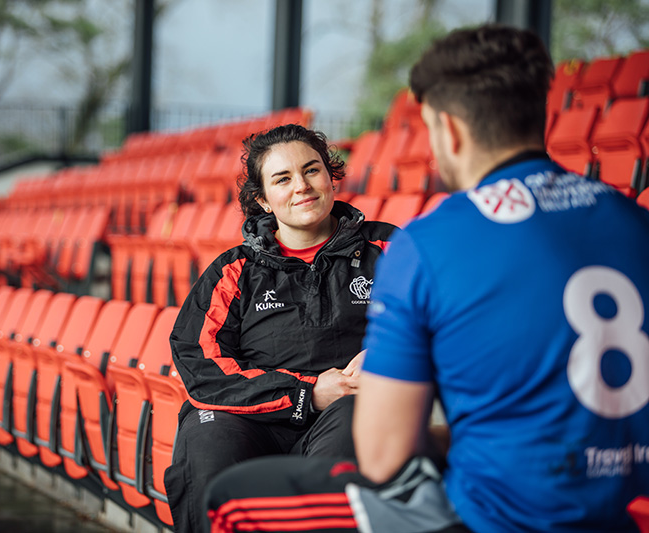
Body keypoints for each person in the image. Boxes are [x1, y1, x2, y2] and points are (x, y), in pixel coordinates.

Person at [204, 24, 649, 533]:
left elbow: (385, 456)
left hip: (497, 514)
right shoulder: (632, 219)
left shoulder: (431, 243)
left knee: (230, 499)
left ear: (449, 130)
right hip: (619, 508)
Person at [165, 124, 397, 533]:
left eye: (312, 171)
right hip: (250, 419)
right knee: (205, 447)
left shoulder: (388, 249)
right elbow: (200, 364)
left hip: (349, 407)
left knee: (356, 424)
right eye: (283, 179)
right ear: (263, 200)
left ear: (331, 177)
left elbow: (444, 320)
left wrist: (388, 354)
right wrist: (305, 393)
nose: (302, 187)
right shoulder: (233, 270)